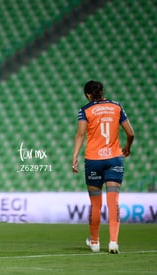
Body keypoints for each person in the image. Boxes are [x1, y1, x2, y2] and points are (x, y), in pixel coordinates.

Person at [72, 80, 134, 254]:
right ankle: (113, 242)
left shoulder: (85, 110)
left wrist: (75, 157)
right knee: (113, 201)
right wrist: (128, 146)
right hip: (114, 159)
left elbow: (80, 134)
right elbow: (131, 132)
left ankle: (95, 242)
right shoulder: (116, 107)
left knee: (95, 203)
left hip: (94, 160)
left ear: (88, 95)